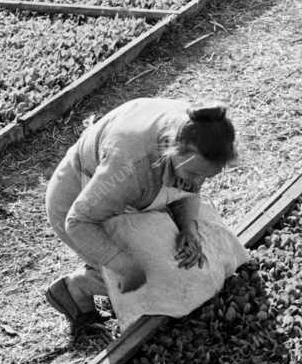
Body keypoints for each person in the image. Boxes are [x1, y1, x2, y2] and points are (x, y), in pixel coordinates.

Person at [44, 98, 236, 328]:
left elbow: (185, 193)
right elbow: (78, 221)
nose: (198, 183)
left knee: (206, 245)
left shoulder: (198, 134)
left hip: (137, 196)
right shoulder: (129, 165)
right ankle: (79, 290)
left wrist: (189, 228)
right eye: (194, 174)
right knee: (161, 275)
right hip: (81, 203)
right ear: (171, 149)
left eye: (206, 176)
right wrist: (126, 267)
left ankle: (106, 282)